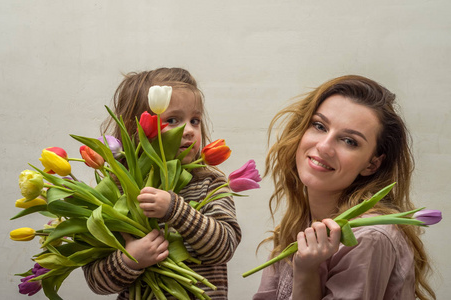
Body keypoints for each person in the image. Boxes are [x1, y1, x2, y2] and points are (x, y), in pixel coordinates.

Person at [253, 75, 435, 300]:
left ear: (372, 164)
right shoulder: (298, 223)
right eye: (319, 126)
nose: (324, 146)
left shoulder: (369, 238)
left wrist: (307, 272)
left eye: (349, 141)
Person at [82, 67, 241, 299]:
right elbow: (97, 281)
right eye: (173, 120)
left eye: (194, 120)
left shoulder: (209, 183)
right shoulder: (118, 192)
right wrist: (130, 259)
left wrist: (175, 210)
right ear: (137, 128)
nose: (189, 130)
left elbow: (224, 247)